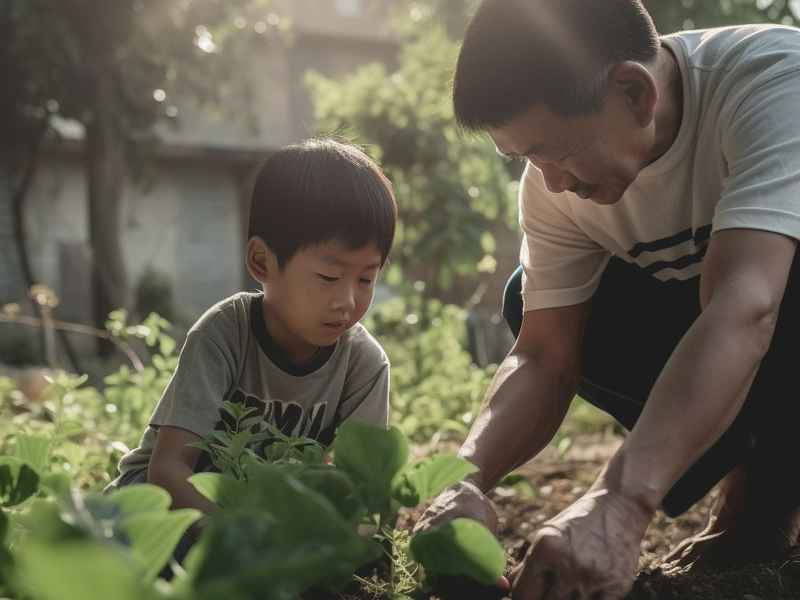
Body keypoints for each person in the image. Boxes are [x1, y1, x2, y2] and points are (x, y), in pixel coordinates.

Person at [416, 1, 800, 598]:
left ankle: (766, 495)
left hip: (766, 303)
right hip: (741, 321)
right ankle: (762, 504)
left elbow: (745, 307)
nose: (551, 182)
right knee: (533, 301)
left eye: (558, 152)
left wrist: (621, 502)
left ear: (634, 93)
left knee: (761, 281)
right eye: (525, 158)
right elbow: (543, 356)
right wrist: (459, 480)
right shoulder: (553, 188)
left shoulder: (772, 83)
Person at [107, 138, 397, 547]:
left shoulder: (364, 364)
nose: (348, 301)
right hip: (174, 502)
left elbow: (363, 488)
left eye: (366, 279)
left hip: (267, 515)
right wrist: (242, 541)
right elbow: (168, 470)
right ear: (262, 262)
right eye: (329, 278)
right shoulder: (224, 334)